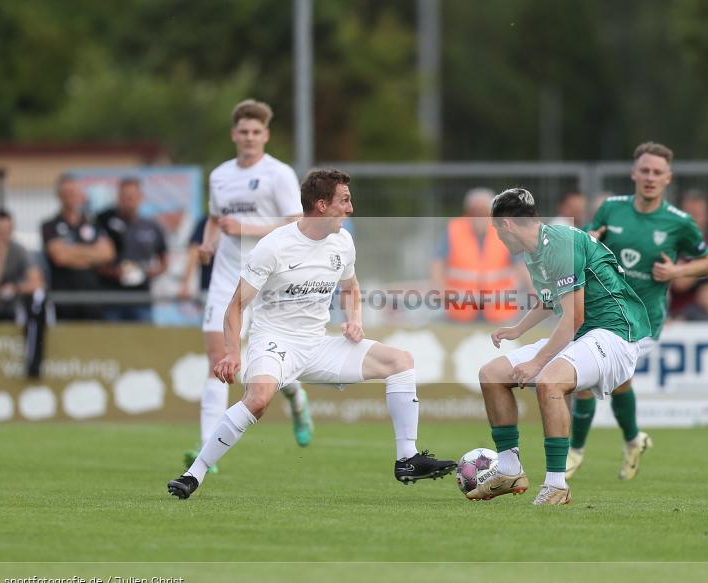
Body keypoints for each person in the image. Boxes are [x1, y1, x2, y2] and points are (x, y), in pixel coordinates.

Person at [167, 169, 457, 499]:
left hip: (317, 344)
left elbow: (351, 287)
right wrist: (233, 352)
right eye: (344, 200)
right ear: (321, 205)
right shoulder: (274, 246)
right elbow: (235, 305)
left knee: (401, 361)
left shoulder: (343, 241)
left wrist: (354, 320)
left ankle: (407, 458)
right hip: (275, 341)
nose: (350, 208)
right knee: (259, 400)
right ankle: (195, 473)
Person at [473, 188, 652, 506]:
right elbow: (549, 302)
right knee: (492, 374)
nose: (498, 238)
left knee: (548, 380)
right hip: (583, 332)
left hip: (613, 333)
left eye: (497, 230)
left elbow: (573, 316)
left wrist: (537, 362)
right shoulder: (534, 250)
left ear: (507, 226)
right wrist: (518, 329)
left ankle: (556, 485)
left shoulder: (559, 245)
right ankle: (510, 470)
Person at [568, 142, 708, 480]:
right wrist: (588, 238)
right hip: (601, 312)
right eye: (644, 170)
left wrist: (677, 272)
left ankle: (574, 452)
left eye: (657, 172)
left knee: (588, 378)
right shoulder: (611, 209)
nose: (650, 177)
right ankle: (634, 441)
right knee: (616, 383)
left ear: (668, 178)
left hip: (643, 321)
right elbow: (589, 240)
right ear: (634, 173)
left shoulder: (679, 223)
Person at [187, 99, 312, 471]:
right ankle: (208, 449)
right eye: (243, 132)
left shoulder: (279, 174)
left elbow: (296, 223)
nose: (249, 138)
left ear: (266, 135)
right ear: (234, 135)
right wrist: (208, 243)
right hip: (227, 275)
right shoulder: (221, 175)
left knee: (272, 365)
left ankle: (296, 398)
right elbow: (214, 219)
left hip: (271, 277)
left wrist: (247, 229)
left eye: (256, 132)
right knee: (218, 360)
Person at [429, 188, 530, 323]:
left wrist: (535, 290)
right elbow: (438, 263)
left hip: (499, 310)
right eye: (475, 211)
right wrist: (439, 290)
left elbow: (521, 265)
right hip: (461, 308)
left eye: (484, 211)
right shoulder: (454, 229)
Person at [41, 174, 115, 320]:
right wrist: (92, 253)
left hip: (93, 297)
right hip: (64, 299)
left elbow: (108, 254)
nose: (70, 197)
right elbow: (60, 257)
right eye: (66, 193)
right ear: (59, 196)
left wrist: (73, 251)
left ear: (80, 195)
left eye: (73, 193)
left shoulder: (92, 223)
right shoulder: (50, 225)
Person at [96, 177, 168, 321]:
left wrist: (149, 273)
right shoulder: (103, 221)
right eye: (125, 196)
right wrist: (113, 272)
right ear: (118, 197)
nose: (128, 200)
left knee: (143, 340)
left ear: (140, 197)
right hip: (111, 297)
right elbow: (94, 260)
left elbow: (164, 261)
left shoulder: (151, 226)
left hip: (141, 297)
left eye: (132, 196)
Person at [669, 189, 708, 317]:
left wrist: (690, 271)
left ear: (706, 216)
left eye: (698, 214)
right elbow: (680, 283)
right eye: (689, 215)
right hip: (680, 318)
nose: (693, 220)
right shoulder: (671, 246)